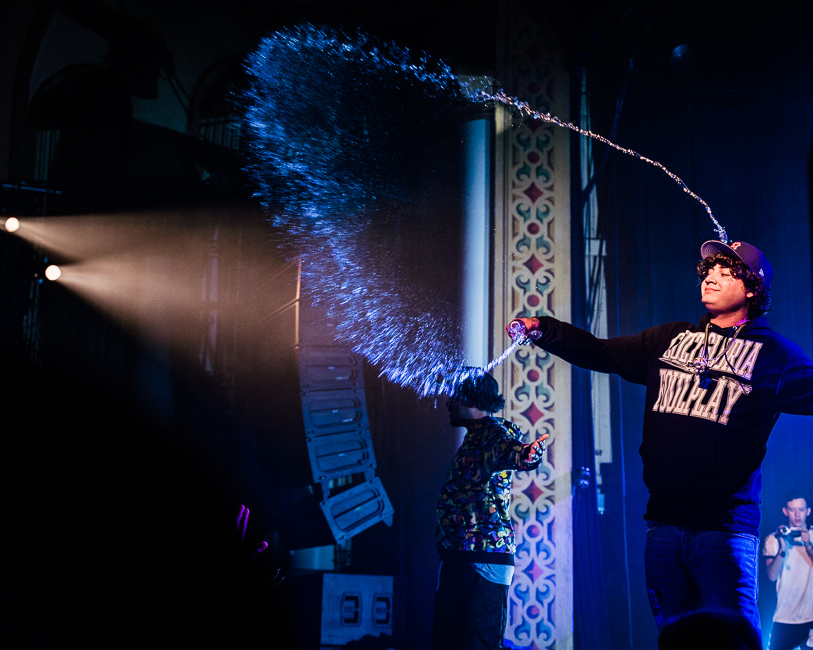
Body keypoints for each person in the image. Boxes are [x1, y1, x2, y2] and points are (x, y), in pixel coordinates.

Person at [506, 240, 813, 636]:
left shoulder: (775, 356)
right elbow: (602, 352)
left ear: (752, 288)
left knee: (732, 643)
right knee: (675, 641)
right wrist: (544, 330)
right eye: (709, 271)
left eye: (727, 272)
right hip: (663, 527)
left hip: (724, 533)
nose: (711, 279)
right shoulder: (671, 338)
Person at [432, 370, 549, 650]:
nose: (448, 402)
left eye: (453, 395)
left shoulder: (492, 432)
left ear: (468, 397)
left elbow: (509, 451)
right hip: (460, 555)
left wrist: (527, 455)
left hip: (483, 561)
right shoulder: (474, 436)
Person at [764, 492, 813, 650]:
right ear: (785, 511)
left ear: (808, 511)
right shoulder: (774, 539)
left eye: (801, 509)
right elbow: (771, 576)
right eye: (793, 510)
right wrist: (782, 549)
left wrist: (809, 547)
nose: (797, 514)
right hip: (784, 617)